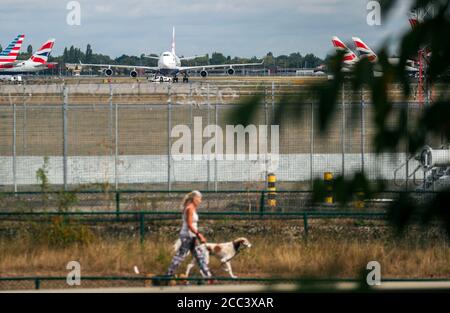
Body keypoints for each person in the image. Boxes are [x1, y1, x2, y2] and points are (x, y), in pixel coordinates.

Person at [166, 190, 212, 278]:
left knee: (199, 256)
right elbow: (190, 224)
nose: (200, 201)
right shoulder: (189, 208)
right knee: (181, 256)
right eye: (199, 199)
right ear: (194, 199)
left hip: (192, 236)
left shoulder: (191, 208)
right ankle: (169, 274)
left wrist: (196, 235)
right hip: (187, 235)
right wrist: (200, 235)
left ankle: (208, 276)